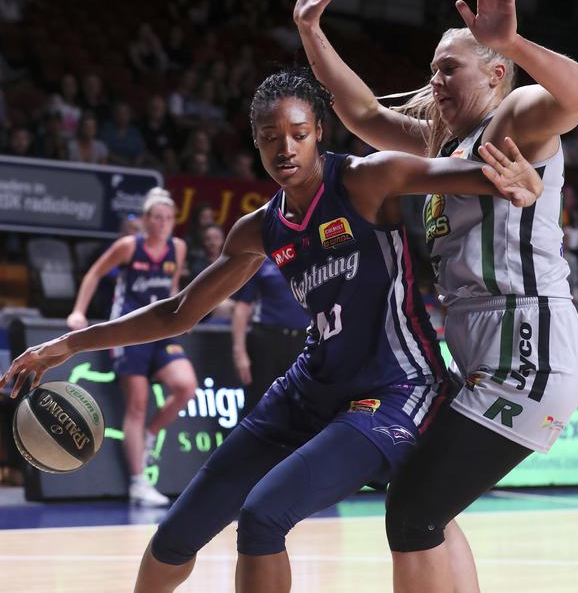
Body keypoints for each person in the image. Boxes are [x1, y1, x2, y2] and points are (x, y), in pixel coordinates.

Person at [1, 68, 542, 593]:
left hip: (395, 389)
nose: (285, 148)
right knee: (175, 536)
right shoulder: (261, 227)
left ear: (318, 134)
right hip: (310, 388)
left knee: (263, 518)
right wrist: (66, 344)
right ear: (255, 145)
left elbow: (462, 173)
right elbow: (178, 313)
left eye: (298, 135)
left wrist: (510, 177)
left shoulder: (363, 179)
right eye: (269, 139)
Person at [294, 0, 578, 592]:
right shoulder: (440, 147)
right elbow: (364, 117)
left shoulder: (513, 119)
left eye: (448, 68)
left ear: (494, 74)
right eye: (431, 70)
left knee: (411, 510)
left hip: (526, 344)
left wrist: (511, 39)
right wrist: (311, 33)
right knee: (419, 501)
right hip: (485, 347)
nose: (434, 82)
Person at [64, 186, 198, 506]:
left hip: (162, 330)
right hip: (128, 332)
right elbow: (94, 273)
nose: (163, 223)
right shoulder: (128, 246)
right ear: (146, 220)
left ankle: (150, 435)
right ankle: (138, 482)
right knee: (136, 404)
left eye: (168, 218)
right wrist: (78, 311)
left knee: (186, 386)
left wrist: (184, 316)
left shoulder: (177, 248)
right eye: (157, 217)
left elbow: (174, 286)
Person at [231, 257, 311, 414]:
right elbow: (242, 307)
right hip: (267, 339)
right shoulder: (261, 261)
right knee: (258, 402)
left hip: (304, 341)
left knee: (302, 405)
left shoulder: (313, 258)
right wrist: (239, 352)